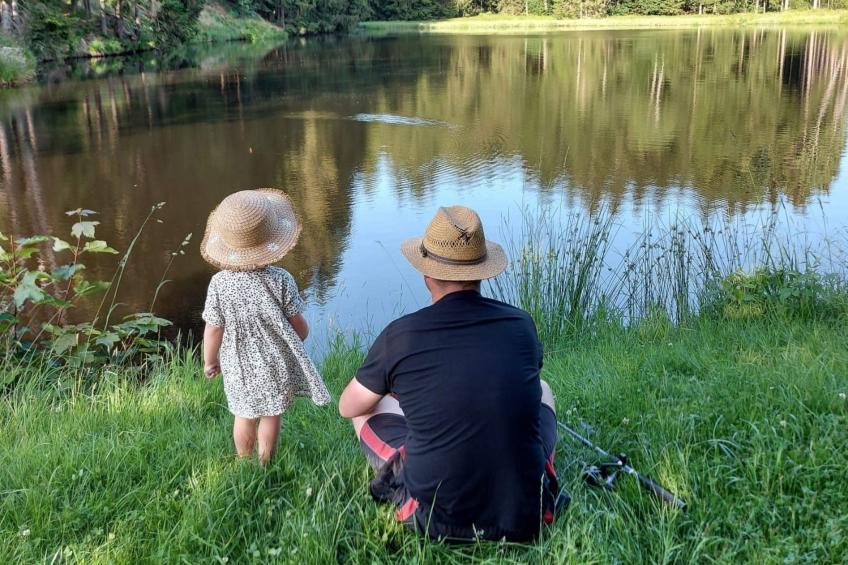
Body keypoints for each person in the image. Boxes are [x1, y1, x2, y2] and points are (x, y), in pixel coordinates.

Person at [338, 205, 561, 542]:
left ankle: (411, 479)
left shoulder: (401, 335)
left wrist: (396, 389)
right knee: (543, 389)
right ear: (482, 273)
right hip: (526, 512)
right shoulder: (521, 324)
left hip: (434, 518)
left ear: (426, 275)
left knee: (366, 409)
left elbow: (347, 406)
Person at [200, 188, 331, 464]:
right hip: (274, 362)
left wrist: (209, 361)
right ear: (270, 240)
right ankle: (265, 463)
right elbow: (300, 327)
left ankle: (243, 460)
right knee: (271, 414)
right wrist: (295, 340)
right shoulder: (280, 280)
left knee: (243, 413)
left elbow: (213, 329)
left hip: (236, 364)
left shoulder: (219, 284)